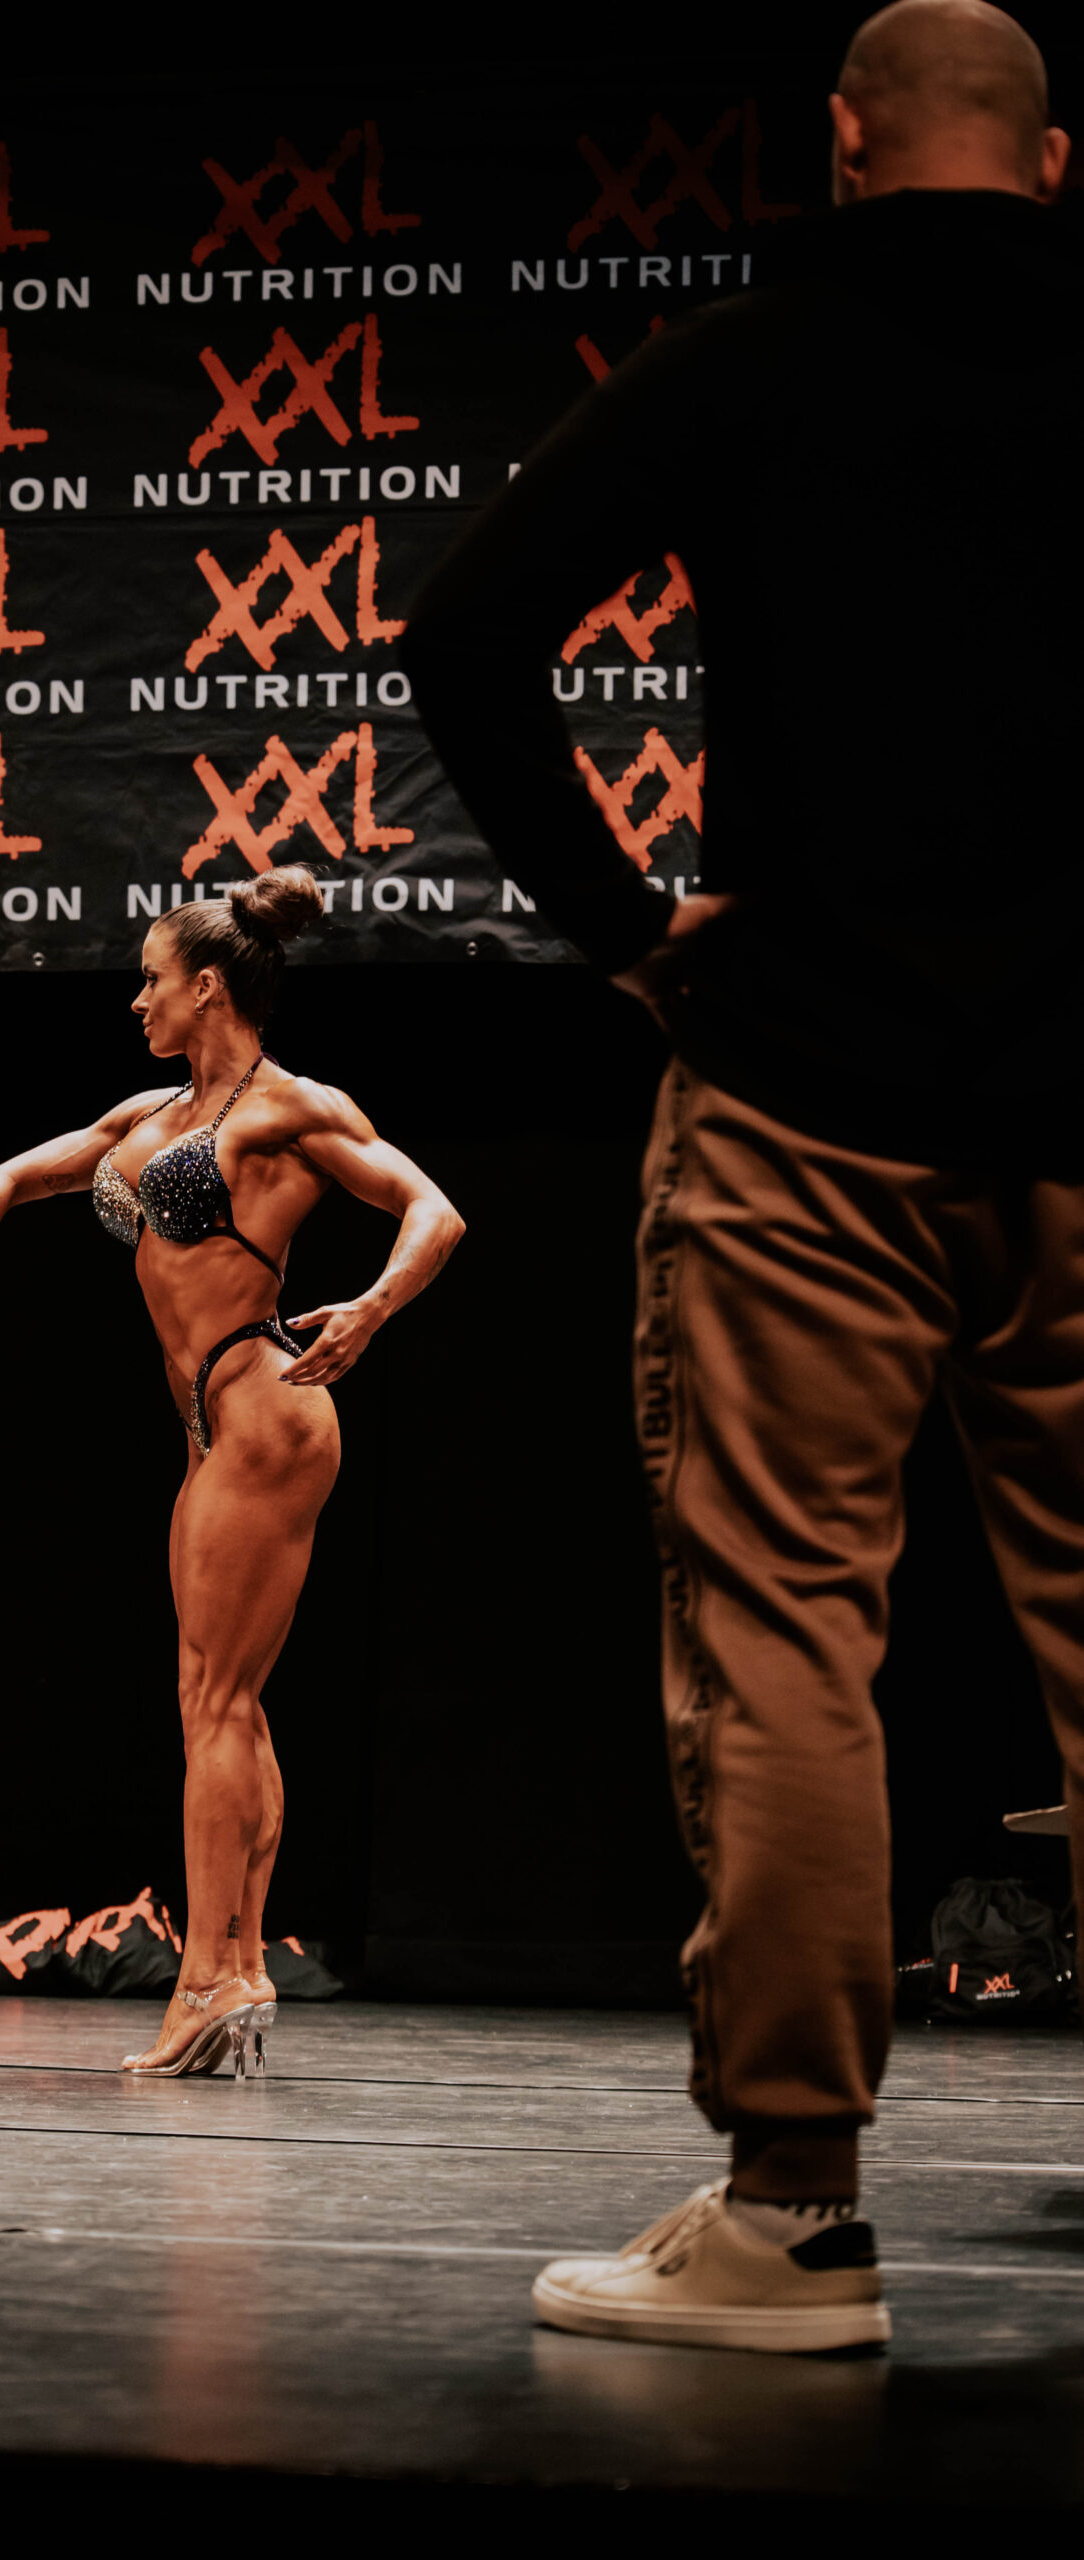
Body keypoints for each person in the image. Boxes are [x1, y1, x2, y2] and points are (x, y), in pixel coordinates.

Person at [404, 0, 1079, 2351]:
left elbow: (464, 630)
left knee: (786, 1633)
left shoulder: (754, 355)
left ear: (841, 142)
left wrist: (620, 931)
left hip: (805, 1097)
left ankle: (792, 2218)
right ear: (1053, 164)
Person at [0, 867, 464, 2074]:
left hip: (267, 1405)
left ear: (208, 987)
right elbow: (3, 1177)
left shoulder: (291, 1107)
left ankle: (207, 1976)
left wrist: (372, 1307)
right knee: (228, 1703)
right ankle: (244, 1962)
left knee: (212, 1703)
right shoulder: (146, 1116)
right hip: (211, 1426)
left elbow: (434, 1211)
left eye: (152, 981)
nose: (138, 1001)